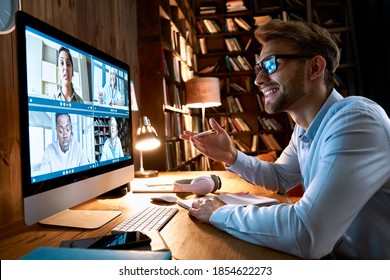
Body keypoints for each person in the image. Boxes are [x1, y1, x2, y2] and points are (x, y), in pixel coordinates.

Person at [180, 19, 390, 259]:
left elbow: (308, 234)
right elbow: (280, 177)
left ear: (314, 68)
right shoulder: (304, 128)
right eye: (258, 68)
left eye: (269, 65)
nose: (258, 80)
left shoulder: (356, 121)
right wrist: (231, 156)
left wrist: (219, 213)